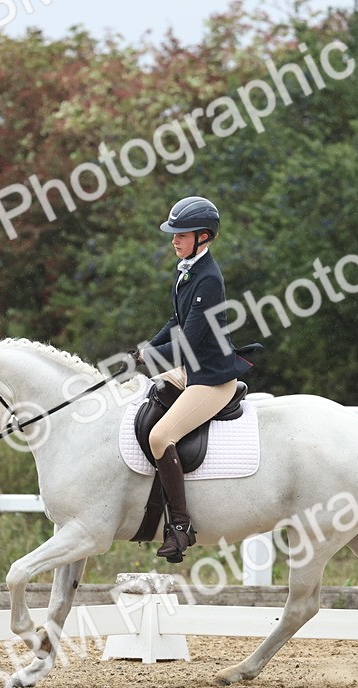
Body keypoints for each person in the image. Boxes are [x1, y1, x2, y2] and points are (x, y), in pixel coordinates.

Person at [137, 196, 255, 562]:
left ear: (203, 237)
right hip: (190, 369)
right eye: (173, 234)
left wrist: (154, 357)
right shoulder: (186, 268)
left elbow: (189, 338)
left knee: (161, 435)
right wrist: (143, 351)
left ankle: (182, 527)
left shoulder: (208, 278)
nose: (173, 240)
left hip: (211, 379)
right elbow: (175, 322)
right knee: (139, 395)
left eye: (181, 234)